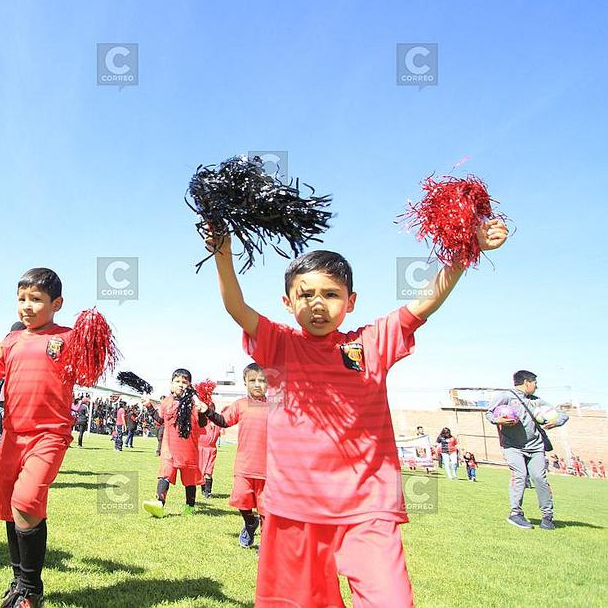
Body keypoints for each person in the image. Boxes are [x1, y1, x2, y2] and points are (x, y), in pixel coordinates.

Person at [206, 218, 508, 607]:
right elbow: (236, 306)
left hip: (368, 508)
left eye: (331, 295)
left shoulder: (372, 343)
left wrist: (467, 251)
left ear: (351, 302)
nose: (318, 304)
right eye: (306, 295)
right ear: (287, 302)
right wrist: (222, 252)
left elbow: (424, 303)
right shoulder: (278, 344)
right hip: (294, 507)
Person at [0, 268, 79, 608]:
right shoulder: (12, 339)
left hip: (49, 434)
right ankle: (21, 582)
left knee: (25, 501)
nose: (27, 306)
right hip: (12, 434)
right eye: (21, 299)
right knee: (13, 508)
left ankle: (31, 590)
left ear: (57, 303)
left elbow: (90, 366)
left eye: (36, 299)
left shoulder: (69, 337)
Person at [486, 370, 568, 530]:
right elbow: (489, 413)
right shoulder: (506, 397)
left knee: (539, 478)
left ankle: (547, 516)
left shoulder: (537, 401)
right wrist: (498, 420)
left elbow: (562, 414)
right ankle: (515, 513)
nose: (536, 386)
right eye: (535, 383)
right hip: (512, 446)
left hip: (536, 447)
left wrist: (556, 421)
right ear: (526, 382)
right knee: (520, 475)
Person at [203, 362, 268, 547]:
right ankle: (249, 523)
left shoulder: (276, 407)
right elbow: (223, 421)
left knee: (266, 510)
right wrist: (206, 411)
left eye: (262, 380)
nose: (257, 384)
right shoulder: (241, 405)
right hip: (245, 466)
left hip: (268, 470)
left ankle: (267, 544)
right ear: (245, 383)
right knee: (242, 501)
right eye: (253, 380)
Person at [142, 369, 209, 518]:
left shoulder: (194, 403)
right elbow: (160, 420)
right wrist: (149, 406)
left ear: (189, 385)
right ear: (171, 384)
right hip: (169, 447)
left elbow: (203, 423)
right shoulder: (166, 402)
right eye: (177, 382)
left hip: (188, 449)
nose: (181, 385)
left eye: (184, 382)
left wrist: (203, 410)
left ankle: (190, 507)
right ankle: (159, 504)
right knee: (165, 475)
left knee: (189, 480)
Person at [198, 403, 221, 499]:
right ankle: (203, 490)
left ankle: (208, 491)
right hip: (200, 449)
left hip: (211, 449)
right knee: (201, 470)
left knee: (209, 471)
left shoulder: (217, 422)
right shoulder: (201, 420)